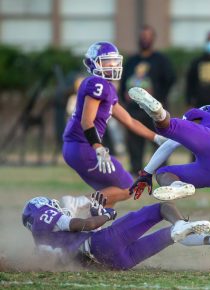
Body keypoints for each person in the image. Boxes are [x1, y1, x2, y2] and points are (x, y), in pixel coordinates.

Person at [127, 87, 210, 250]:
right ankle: (179, 188)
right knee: (165, 172)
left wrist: (146, 172)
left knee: (166, 131)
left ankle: (158, 112)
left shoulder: (202, 115)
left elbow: (170, 143)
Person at [61, 41, 166, 215]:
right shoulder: (97, 84)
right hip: (84, 146)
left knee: (111, 193)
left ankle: (93, 231)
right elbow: (87, 122)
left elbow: (129, 121)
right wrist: (98, 148)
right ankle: (77, 203)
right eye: (106, 62)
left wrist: (157, 138)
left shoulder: (107, 88)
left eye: (114, 61)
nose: (112, 65)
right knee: (128, 187)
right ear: (93, 63)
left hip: (77, 147)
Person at [22, 193, 210, 270]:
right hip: (103, 244)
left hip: (116, 263)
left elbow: (77, 244)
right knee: (160, 208)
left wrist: (94, 214)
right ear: (41, 209)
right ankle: (181, 226)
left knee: (173, 235)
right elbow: (84, 227)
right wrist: (107, 215)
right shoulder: (45, 215)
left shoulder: (41, 242)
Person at [120, 25, 176, 175]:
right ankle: (136, 171)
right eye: (142, 36)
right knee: (134, 142)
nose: (145, 39)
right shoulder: (132, 61)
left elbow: (170, 80)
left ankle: (162, 171)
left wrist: (159, 97)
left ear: (153, 39)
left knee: (160, 141)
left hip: (154, 110)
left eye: (148, 36)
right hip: (134, 110)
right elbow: (123, 81)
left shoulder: (161, 60)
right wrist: (124, 96)